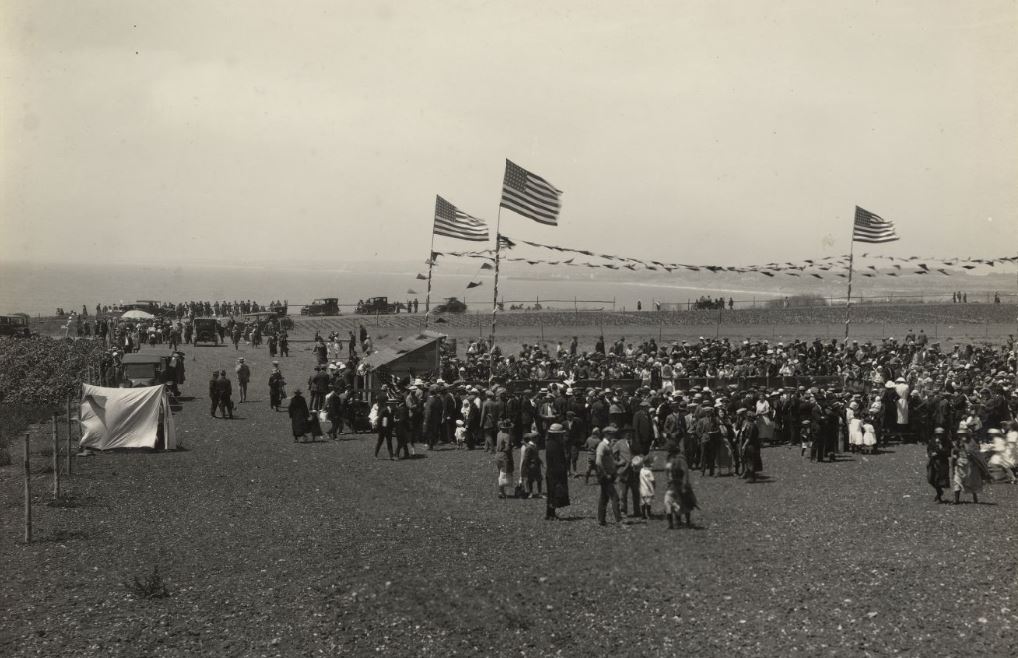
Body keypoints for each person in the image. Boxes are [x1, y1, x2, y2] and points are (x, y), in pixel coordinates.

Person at [950, 428, 987, 504]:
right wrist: (955, 455)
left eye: (963, 434)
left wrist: (970, 453)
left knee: (972, 481)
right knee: (957, 480)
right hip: (960, 464)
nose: (961, 436)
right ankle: (956, 500)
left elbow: (976, 453)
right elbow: (955, 451)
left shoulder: (972, 443)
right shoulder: (957, 443)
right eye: (959, 435)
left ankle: (975, 498)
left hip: (970, 465)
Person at [663, 447, 697, 528]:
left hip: (680, 484)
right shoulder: (668, 459)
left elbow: (685, 472)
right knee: (668, 502)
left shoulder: (681, 460)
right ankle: (671, 524)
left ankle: (687, 522)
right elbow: (667, 471)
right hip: (671, 486)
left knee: (684, 503)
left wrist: (684, 485)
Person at [595, 425, 622, 526]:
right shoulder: (602, 445)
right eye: (612, 434)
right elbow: (598, 462)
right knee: (615, 497)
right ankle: (619, 520)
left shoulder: (608, 445)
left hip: (609, 475)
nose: (613, 436)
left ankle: (601, 520)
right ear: (607, 434)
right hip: (605, 476)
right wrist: (605, 474)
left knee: (604, 497)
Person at [544, 423, 571, 520]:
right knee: (553, 493)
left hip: (552, 472)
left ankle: (550, 513)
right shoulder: (554, 445)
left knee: (551, 492)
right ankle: (550, 514)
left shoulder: (550, 443)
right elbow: (557, 461)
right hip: (555, 473)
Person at [613, 426, 640, 517]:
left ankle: (637, 511)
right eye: (626, 432)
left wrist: (638, 461)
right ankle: (623, 511)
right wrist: (618, 463)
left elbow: (640, 455)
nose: (628, 434)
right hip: (623, 472)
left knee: (636, 492)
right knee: (623, 493)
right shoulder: (619, 443)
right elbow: (611, 456)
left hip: (634, 472)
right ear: (623, 434)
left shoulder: (635, 443)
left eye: (630, 432)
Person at [926, 427, 951, 502]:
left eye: (940, 434)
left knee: (938, 479)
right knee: (930, 478)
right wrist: (931, 453)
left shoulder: (947, 441)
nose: (939, 436)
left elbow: (948, 452)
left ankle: (939, 494)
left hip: (942, 463)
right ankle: (939, 491)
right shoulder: (933, 441)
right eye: (937, 434)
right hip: (933, 462)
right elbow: (929, 449)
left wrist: (939, 450)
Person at [495, 419, 515, 499]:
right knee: (504, 473)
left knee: (500, 473)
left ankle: (501, 491)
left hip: (497, 454)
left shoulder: (499, 434)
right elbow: (507, 448)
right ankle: (502, 491)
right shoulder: (507, 435)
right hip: (504, 455)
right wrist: (511, 445)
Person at [519, 433, 543, 497]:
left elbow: (536, 455)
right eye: (537, 438)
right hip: (531, 465)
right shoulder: (529, 447)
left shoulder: (535, 445)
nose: (538, 439)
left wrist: (540, 461)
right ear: (534, 438)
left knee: (539, 479)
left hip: (536, 464)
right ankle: (531, 492)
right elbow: (526, 458)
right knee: (531, 479)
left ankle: (538, 493)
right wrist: (525, 467)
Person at [638, 454, 655, 520]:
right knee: (648, 502)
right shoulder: (649, 472)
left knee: (642, 502)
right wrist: (654, 485)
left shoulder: (641, 471)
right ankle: (649, 514)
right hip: (648, 489)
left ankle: (643, 515)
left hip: (642, 489)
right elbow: (653, 480)